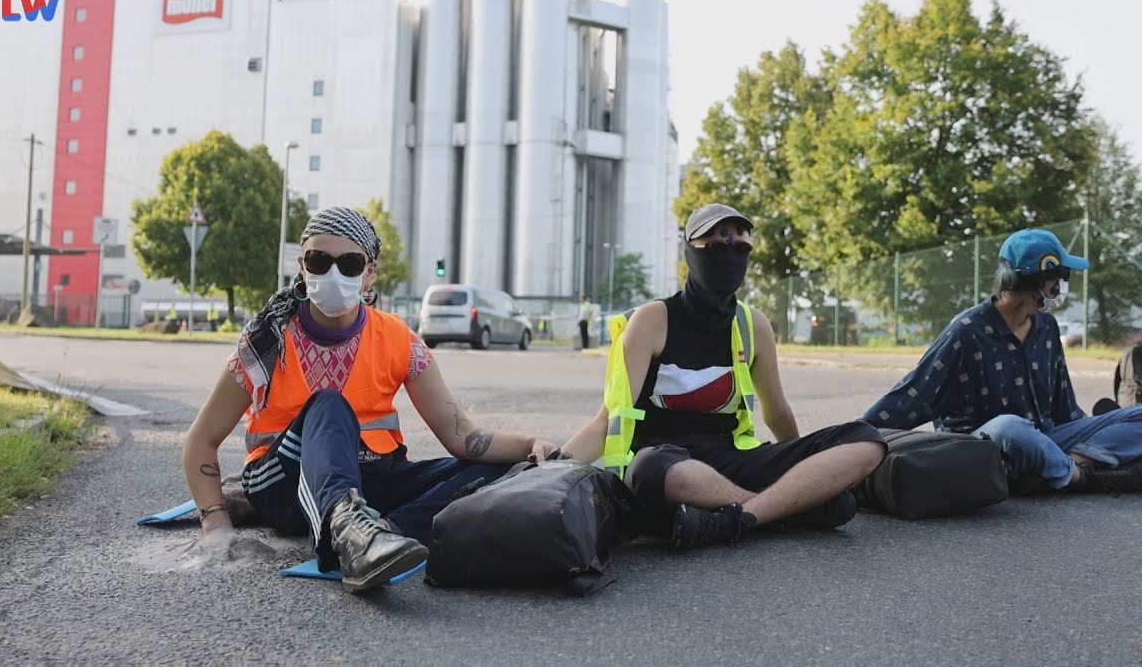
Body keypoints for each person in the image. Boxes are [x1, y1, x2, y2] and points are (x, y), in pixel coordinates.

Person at [181, 207, 556, 593]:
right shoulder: (268, 339)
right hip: (281, 483)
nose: (332, 274)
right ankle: (350, 535)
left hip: (369, 478)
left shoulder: (396, 337)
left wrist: (528, 445)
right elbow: (200, 442)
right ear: (302, 266)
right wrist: (216, 524)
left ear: (369, 273)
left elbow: (461, 437)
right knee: (328, 402)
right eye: (319, 261)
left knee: (496, 471)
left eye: (349, 264)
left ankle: (386, 533)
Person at [561, 204, 886, 550]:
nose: (730, 256)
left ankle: (738, 518)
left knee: (866, 439)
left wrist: (800, 462)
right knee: (652, 468)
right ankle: (789, 509)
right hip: (669, 465)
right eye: (716, 247)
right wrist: (550, 466)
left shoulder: (753, 324)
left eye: (741, 248)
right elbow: (606, 420)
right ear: (689, 252)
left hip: (732, 457)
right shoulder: (652, 320)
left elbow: (776, 413)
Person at [861, 228, 1142, 494]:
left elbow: (1064, 406)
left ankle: (1065, 468)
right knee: (1011, 427)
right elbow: (914, 392)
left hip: (1045, 436)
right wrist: (853, 438)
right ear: (1041, 279)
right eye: (1061, 277)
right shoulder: (968, 330)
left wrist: (1099, 430)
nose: (1063, 287)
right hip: (984, 445)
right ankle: (1080, 477)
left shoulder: (1046, 327)